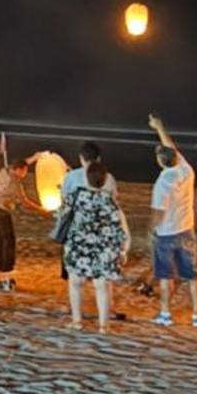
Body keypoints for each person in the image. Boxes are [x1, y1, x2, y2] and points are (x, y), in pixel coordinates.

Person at [60, 142, 129, 334]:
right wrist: (121, 249)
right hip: (103, 246)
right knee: (102, 286)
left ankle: (77, 321)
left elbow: (63, 212)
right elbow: (117, 223)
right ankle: (103, 326)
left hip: (79, 244)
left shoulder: (77, 194)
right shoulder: (109, 197)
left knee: (75, 283)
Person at [147, 114, 197, 328]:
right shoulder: (186, 170)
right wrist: (160, 127)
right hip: (186, 229)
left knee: (165, 275)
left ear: (161, 162)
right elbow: (171, 147)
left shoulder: (162, 182)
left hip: (167, 233)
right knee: (191, 275)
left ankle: (165, 313)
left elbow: (158, 212)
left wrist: (151, 230)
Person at [0, 154, 37, 291]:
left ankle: (2, 270)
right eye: (25, 171)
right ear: (19, 170)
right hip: (2, 212)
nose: (26, 174)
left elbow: (19, 163)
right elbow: (25, 201)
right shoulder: (14, 183)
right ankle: (6, 273)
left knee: (0, 241)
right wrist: (42, 209)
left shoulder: (5, 171)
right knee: (8, 242)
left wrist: (32, 158)